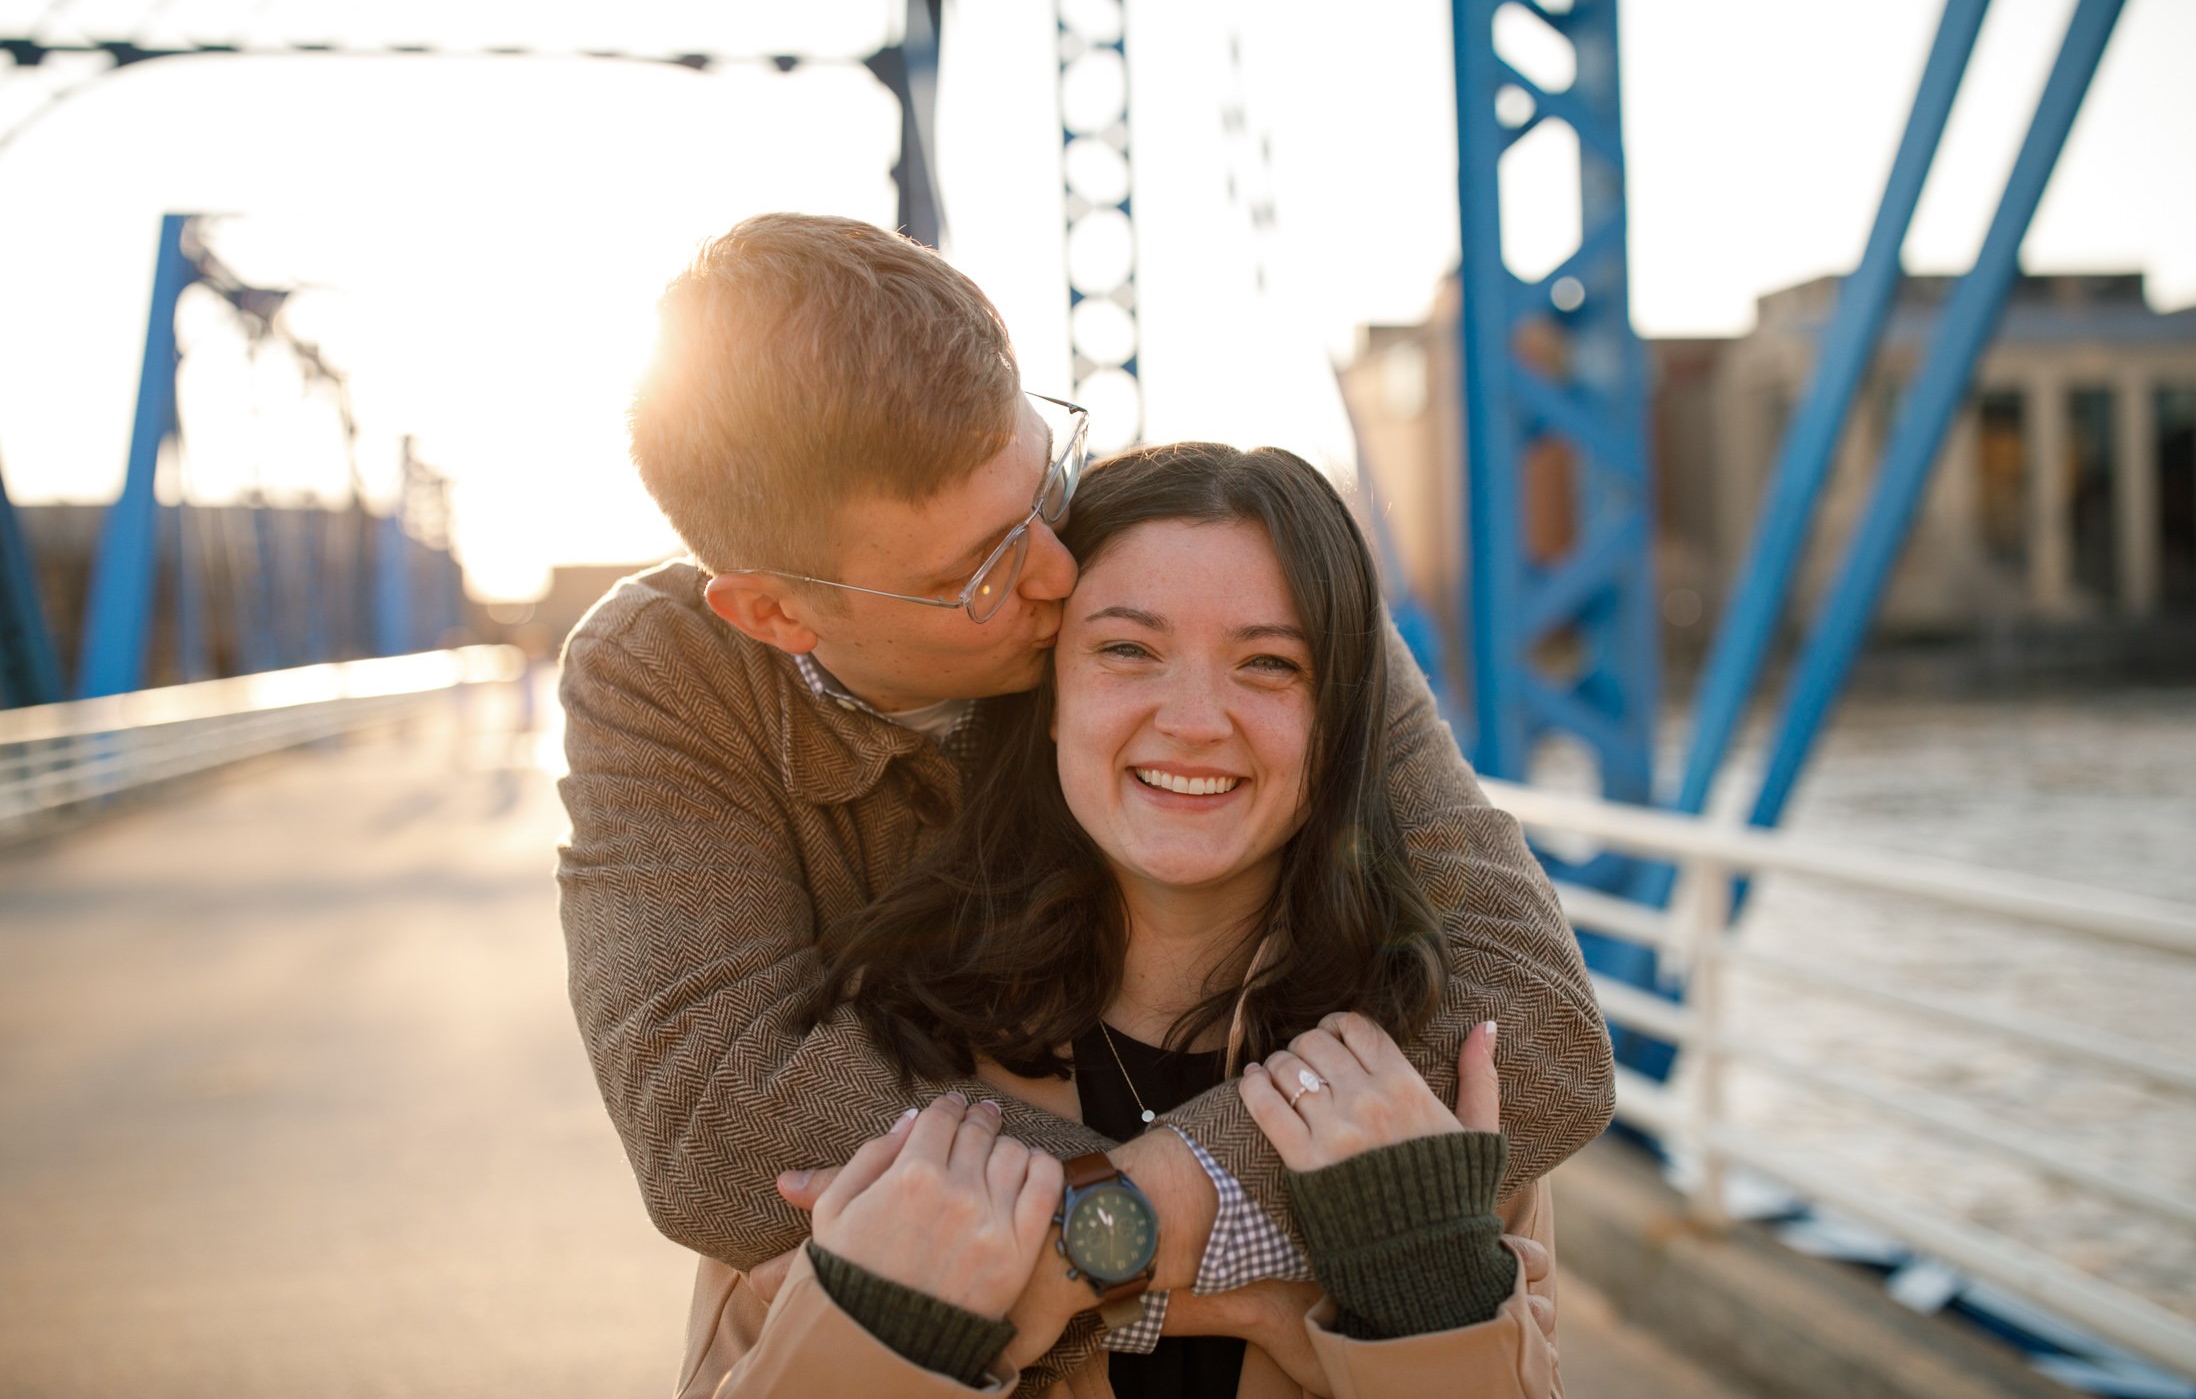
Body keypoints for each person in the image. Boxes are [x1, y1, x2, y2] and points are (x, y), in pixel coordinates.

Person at [557, 213, 1611, 1386]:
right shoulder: (668, 676)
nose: (1059, 571)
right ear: (776, 615)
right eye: (978, 572)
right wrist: (1266, 1244)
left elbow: (1539, 1028)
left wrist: (1118, 1230)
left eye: (1044, 480)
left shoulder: (1188, 565)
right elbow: (722, 1140)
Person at [682, 443, 1563, 1396]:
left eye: (1269, 663)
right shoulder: (873, 1060)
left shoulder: (1413, 1069)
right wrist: (888, 1333)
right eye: (1128, 649)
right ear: (1051, 698)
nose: (1193, 719)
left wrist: (1429, 1292)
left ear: (1339, 719)